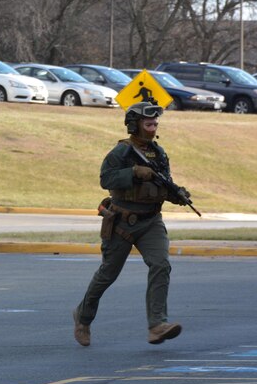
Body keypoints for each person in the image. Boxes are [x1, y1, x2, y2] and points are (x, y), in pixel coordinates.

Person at [74, 102, 184, 346]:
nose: (153, 128)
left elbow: (164, 182)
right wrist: (133, 172)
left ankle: (157, 325)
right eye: (148, 124)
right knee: (108, 274)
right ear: (134, 125)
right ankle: (83, 317)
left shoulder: (159, 153)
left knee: (161, 264)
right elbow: (106, 179)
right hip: (122, 222)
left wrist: (176, 194)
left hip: (151, 221)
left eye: (155, 124)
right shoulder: (121, 153)